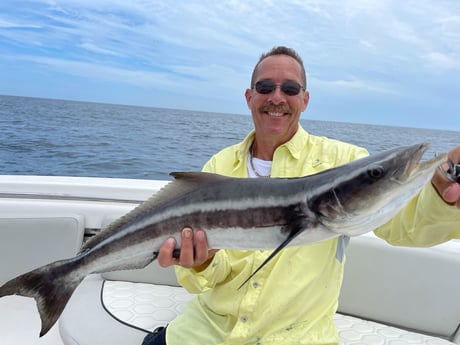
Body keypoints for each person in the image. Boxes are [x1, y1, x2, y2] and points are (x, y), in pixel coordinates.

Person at [142, 46, 460, 345]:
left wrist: (439, 192)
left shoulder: (345, 160)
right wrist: (201, 263)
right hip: (204, 334)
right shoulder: (219, 166)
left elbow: (404, 225)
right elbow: (201, 282)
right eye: (265, 87)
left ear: (305, 99)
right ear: (249, 97)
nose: (277, 97)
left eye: (290, 89)